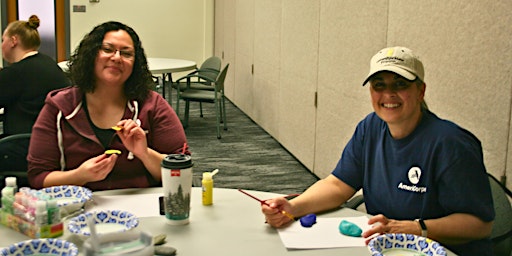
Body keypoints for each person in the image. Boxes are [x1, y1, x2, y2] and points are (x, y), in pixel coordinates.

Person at [261, 46, 495, 255]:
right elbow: (338, 185)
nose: (388, 94)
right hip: (388, 248)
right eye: (379, 85)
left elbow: (480, 224)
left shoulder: (450, 144)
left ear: (420, 91)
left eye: (400, 84)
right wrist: (293, 207)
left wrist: (416, 228)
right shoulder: (370, 128)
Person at [27, 21, 189, 191]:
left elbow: (182, 171)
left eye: (126, 53)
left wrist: (145, 153)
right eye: (107, 49)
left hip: (141, 208)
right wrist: (79, 176)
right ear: (91, 55)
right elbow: (38, 177)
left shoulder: (152, 105)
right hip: (79, 209)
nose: (117, 58)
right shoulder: (59, 106)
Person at [0, 15, 70, 185]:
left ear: (13, 41)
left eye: (3, 40)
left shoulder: (16, 73)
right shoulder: (50, 64)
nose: (1, 45)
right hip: (56, 145)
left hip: (24, 146)